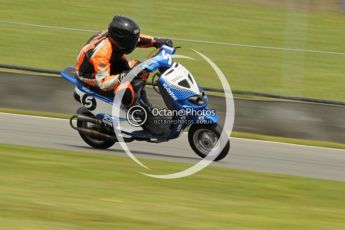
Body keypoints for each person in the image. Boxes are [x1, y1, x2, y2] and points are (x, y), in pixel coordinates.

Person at [76, 15, 173, 106]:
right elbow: (103, 83)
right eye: (131, 41)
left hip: (111, 61)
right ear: (121, 40)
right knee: (126, 93)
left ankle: (141, 97)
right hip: (91, 75)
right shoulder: (102, 52)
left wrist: (157, 41)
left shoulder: (116, 38)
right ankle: (131, 111)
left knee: (140, 69)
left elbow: (139, 39)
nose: (135, 43)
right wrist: (123, 76)